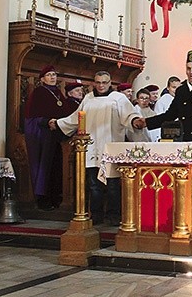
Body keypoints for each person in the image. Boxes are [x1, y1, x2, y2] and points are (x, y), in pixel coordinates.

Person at [51, 71, 147, 225]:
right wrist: (58, 123)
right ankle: (96, 215)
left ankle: (114, 216)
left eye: (104, 82)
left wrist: (135, 121)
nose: (101, 85)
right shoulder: (88, 99)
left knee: (113, 185)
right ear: (94, 83)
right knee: (94, 185)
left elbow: (129, 115)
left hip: (111, 147)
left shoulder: (118, 98)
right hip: (90, 147)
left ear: (110, 83)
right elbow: (77, 117)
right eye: (98, 82)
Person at [135, 37, 192, 142]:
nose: (191, 72)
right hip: (183, 141)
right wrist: (146, 122)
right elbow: (170, 115)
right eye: (188, 68)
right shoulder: (181, 90)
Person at [24, 65, 69, 210]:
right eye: (49, 75)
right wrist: (46, 121)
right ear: (42, 79)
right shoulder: (39, 93)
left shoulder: (58, 93)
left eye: (54, 75)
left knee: (56, 168)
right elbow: (32, 117)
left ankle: (56, 198)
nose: (52, 77)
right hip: (42, 136)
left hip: (57, 136)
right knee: (45, 167)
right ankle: (43, 199)